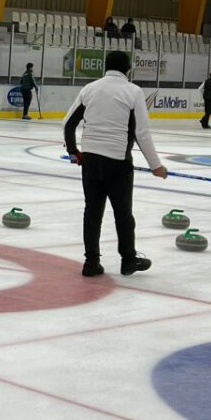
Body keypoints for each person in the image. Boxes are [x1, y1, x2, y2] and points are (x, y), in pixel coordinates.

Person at [63, 51, 167, 278]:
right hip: (117, 161)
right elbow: (141, 132)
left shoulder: (89, 89)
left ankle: (91, 263)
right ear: (128, 69)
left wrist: (74, 152)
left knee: (92, 211)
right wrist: (155, 165)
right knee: (123, 213)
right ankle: (128, 260)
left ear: (106, 67)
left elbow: (68, 123)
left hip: (90, 160)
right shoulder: (133, 91)